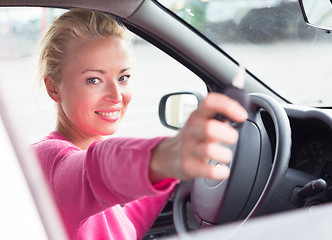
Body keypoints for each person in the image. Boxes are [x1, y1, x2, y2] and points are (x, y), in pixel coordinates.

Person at [31, 8, 248, 240]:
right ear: (54, 88)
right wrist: (167, 154)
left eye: (123, 78)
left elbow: (124, 227)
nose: (116, 95)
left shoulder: (83, 185)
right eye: (94, 80)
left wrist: (172, 172)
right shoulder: (48, 161)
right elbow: (98, 167)